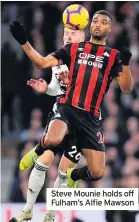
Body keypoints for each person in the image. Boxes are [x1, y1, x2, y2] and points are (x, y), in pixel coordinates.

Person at [10, 9, 133, 220]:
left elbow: (127, 88)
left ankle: (71, 180)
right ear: (89, 24)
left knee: (96, 172)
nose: (97, 24)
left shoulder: (113, 56)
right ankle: (37, 157)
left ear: (109, 28)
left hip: (90, 119)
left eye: (103, 22)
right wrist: (24, 42)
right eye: (95, 20)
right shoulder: (73, 49)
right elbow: (41, 63)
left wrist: (127, 65)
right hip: (67, 108)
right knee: (52, 144)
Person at [9, 27, 85, 222]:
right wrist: (46, 89)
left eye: (73, 33)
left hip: (82, 119)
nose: (68, 36)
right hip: (61, 113)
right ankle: (27, 209)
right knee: (44, 160)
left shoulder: (88, 59)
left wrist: (71, 85)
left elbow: (90, 93)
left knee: (63, 171)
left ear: (83, 37)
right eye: (66, 32)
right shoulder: (58, 59)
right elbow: (56, 88)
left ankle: (51, 215)